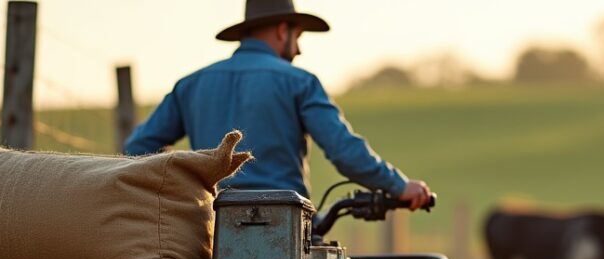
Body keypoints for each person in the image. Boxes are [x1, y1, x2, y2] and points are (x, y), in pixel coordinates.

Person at [124, 0, 433, 210]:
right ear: (282, 30)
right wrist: (399, 186)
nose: (298, 49)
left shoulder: (190, 84)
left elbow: (138, 148)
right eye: (297, 36)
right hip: (285, 230)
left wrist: (186, 189)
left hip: (209, 232)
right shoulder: (300, 82)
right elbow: (345, 152)